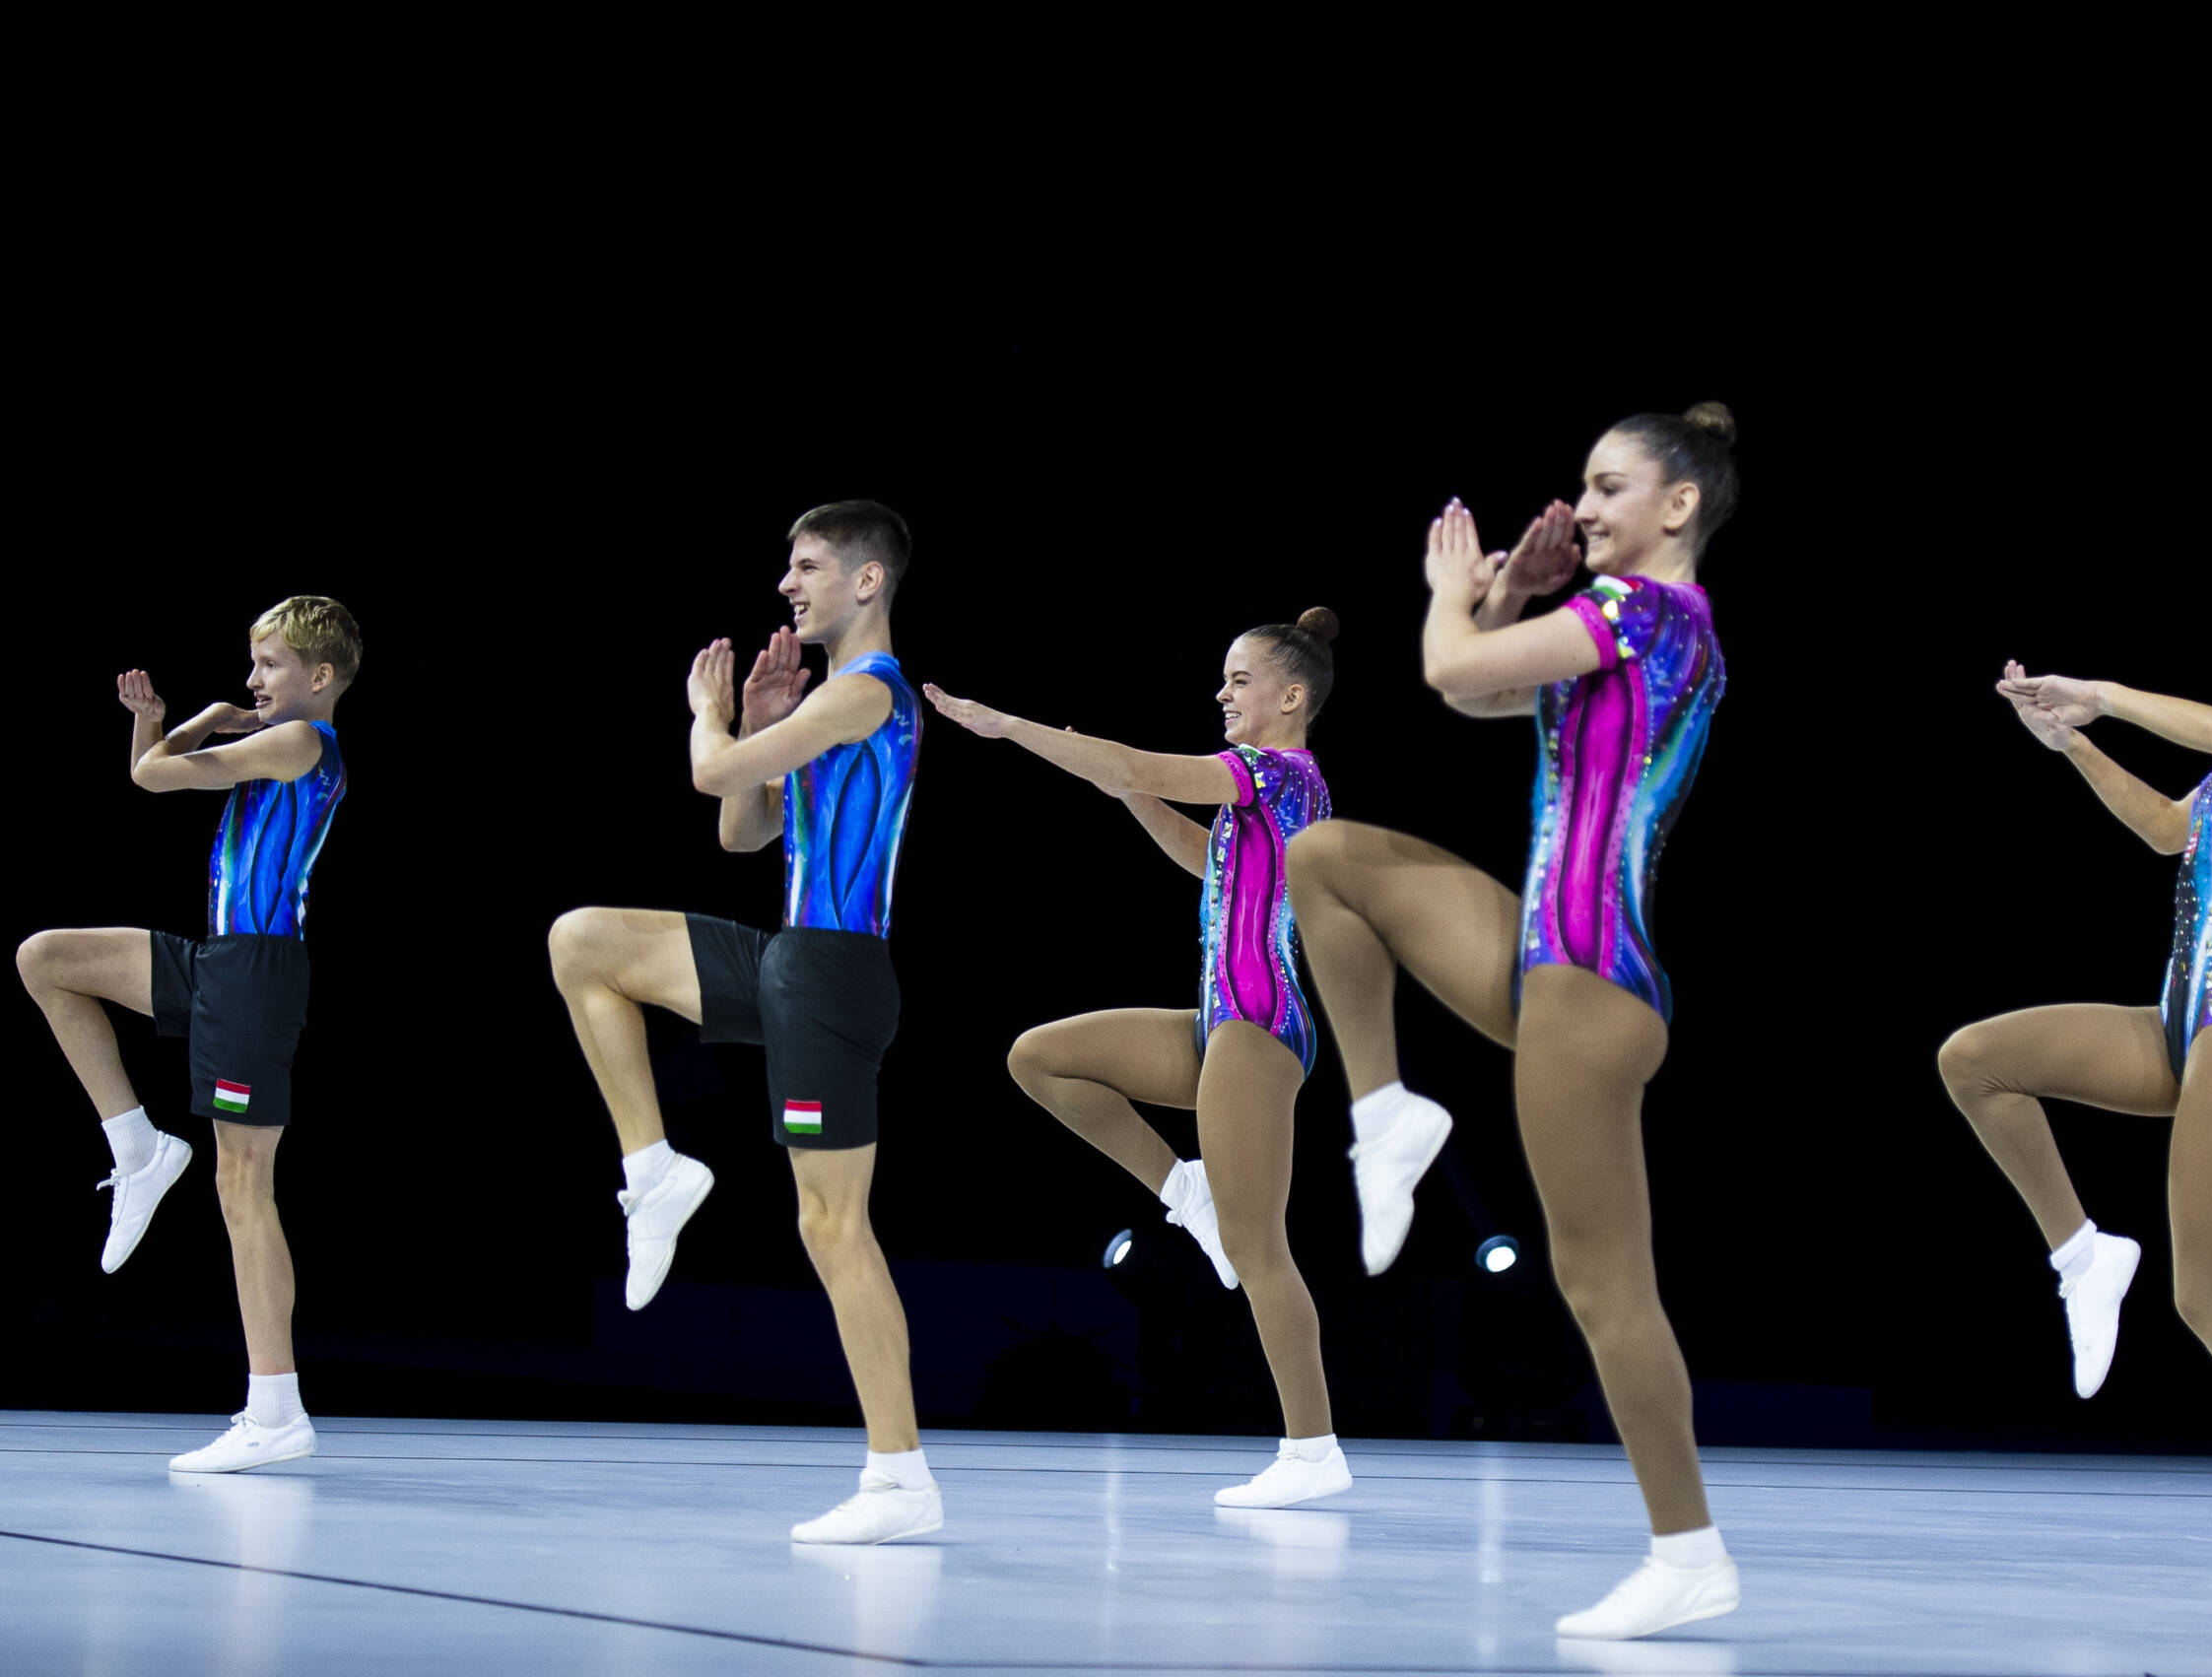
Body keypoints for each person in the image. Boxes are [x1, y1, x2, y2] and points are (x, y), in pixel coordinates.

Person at [1284, 408, 1739, 1639]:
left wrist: (1452, 594)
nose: (1581, 507)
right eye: (1581, 486)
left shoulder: (1646, 611)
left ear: (1678, 506)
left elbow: (1446, 672)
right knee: (1324, 859)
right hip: (1548, 961)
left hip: (1589, 985)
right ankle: (1385, 1113)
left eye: (1609, 486)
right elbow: (1487, 696)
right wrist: (1510, 601)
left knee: (1603, 1287)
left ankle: (1687, 1551)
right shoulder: (1636, 629)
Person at [1940, 532, 2212, 1607]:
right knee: (1977, 1061)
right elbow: (2167, 832)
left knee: (2209, 1294)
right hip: (2182, 1020)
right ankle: (2083, 1254)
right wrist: (2071, 745)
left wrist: (2102, 693)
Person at [546, 501, 938, 1544]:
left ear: (867, 580)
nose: (785, 585)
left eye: (806, 566)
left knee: (831, 1226)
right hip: (790, 959)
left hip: (835, 974)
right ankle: (653, 1172)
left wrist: (710, 716)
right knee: (582, 942)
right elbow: (740, 830)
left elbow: (707, 772)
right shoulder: (830, 703)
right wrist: (763, 728)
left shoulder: (870, 690)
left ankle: (900, 1476)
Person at [924, 610, 1349, 1508]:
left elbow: (1128, 762)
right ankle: (1184, 1192)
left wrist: (1010, 727)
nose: (1222, 693)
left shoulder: (1276, 771)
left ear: (1291, 697)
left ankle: (1313, 1451)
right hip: (1218, 1023)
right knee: (1041, 1059)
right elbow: (1207, 859)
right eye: (1224, 678)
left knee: (1260, 1249)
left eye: (1239, 680)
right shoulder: (1263, 794)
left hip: (1257, 1029)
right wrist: (1127, 794)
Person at [21, 597, 360, 1473]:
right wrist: (164, 724)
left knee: (243, 1187)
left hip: (257, 975)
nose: (253, 679)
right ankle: (138, 1147)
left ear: (320, 677)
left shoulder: (301, 742)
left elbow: (155, 777)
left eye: (270, 665)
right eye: (253, 663)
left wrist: (198, 721)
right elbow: (150, 770)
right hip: (219, 958)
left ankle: (275, 1410)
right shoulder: (280, 740)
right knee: (47, 959)